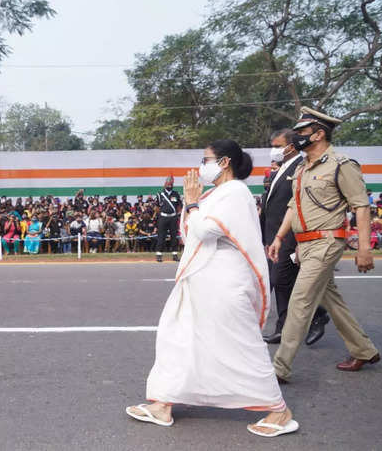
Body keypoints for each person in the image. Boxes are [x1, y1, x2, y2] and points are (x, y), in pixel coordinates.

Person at [126, 140, 297, 437]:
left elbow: (205, 229)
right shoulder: (216, 193)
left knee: (240, 344)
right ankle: (163, 404)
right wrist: (191, 204)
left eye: (206, 159)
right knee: (179, 336)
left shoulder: (235, 193)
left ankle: (279, 411)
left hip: (225, 281)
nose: (201, 165)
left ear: (225, 162)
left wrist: (192, 203)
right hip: (202, 278)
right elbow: (189, 232)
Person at [268, 107, 380, 381]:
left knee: (300, 301)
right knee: (331, 299)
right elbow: (294, 206)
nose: (297, 137)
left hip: (327, 241)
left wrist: (364, 249)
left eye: (302, 133)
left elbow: (361, 206)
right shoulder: (303, 167)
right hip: (304, 245)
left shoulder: (342, 165)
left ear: (318, 134)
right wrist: (280, 237)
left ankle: (278, 369)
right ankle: (364, 350)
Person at [262, 129, 330, 346]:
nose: (273, 149)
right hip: (273, 236)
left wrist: (295, 240)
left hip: (289, 236)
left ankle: (317, 314)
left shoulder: (300, 168)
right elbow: (271, 205)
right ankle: (284, 328)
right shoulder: (281, 169)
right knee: (279, 283)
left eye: (277, 145)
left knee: (282, 281)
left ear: (290, 146)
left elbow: (299, 207)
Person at [155, 176, 181, 262]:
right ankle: (159, 254)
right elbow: (157, 207)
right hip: (163, 217)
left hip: (173, 217)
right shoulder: (160, 194)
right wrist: (162, 215)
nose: (170, 185)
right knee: (161, 236)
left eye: (171, 183)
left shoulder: (176, 194)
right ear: (165, 183)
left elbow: (179, 206)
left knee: (174, 236)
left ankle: (174, 254)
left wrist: (176, 215)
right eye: (168, 183)